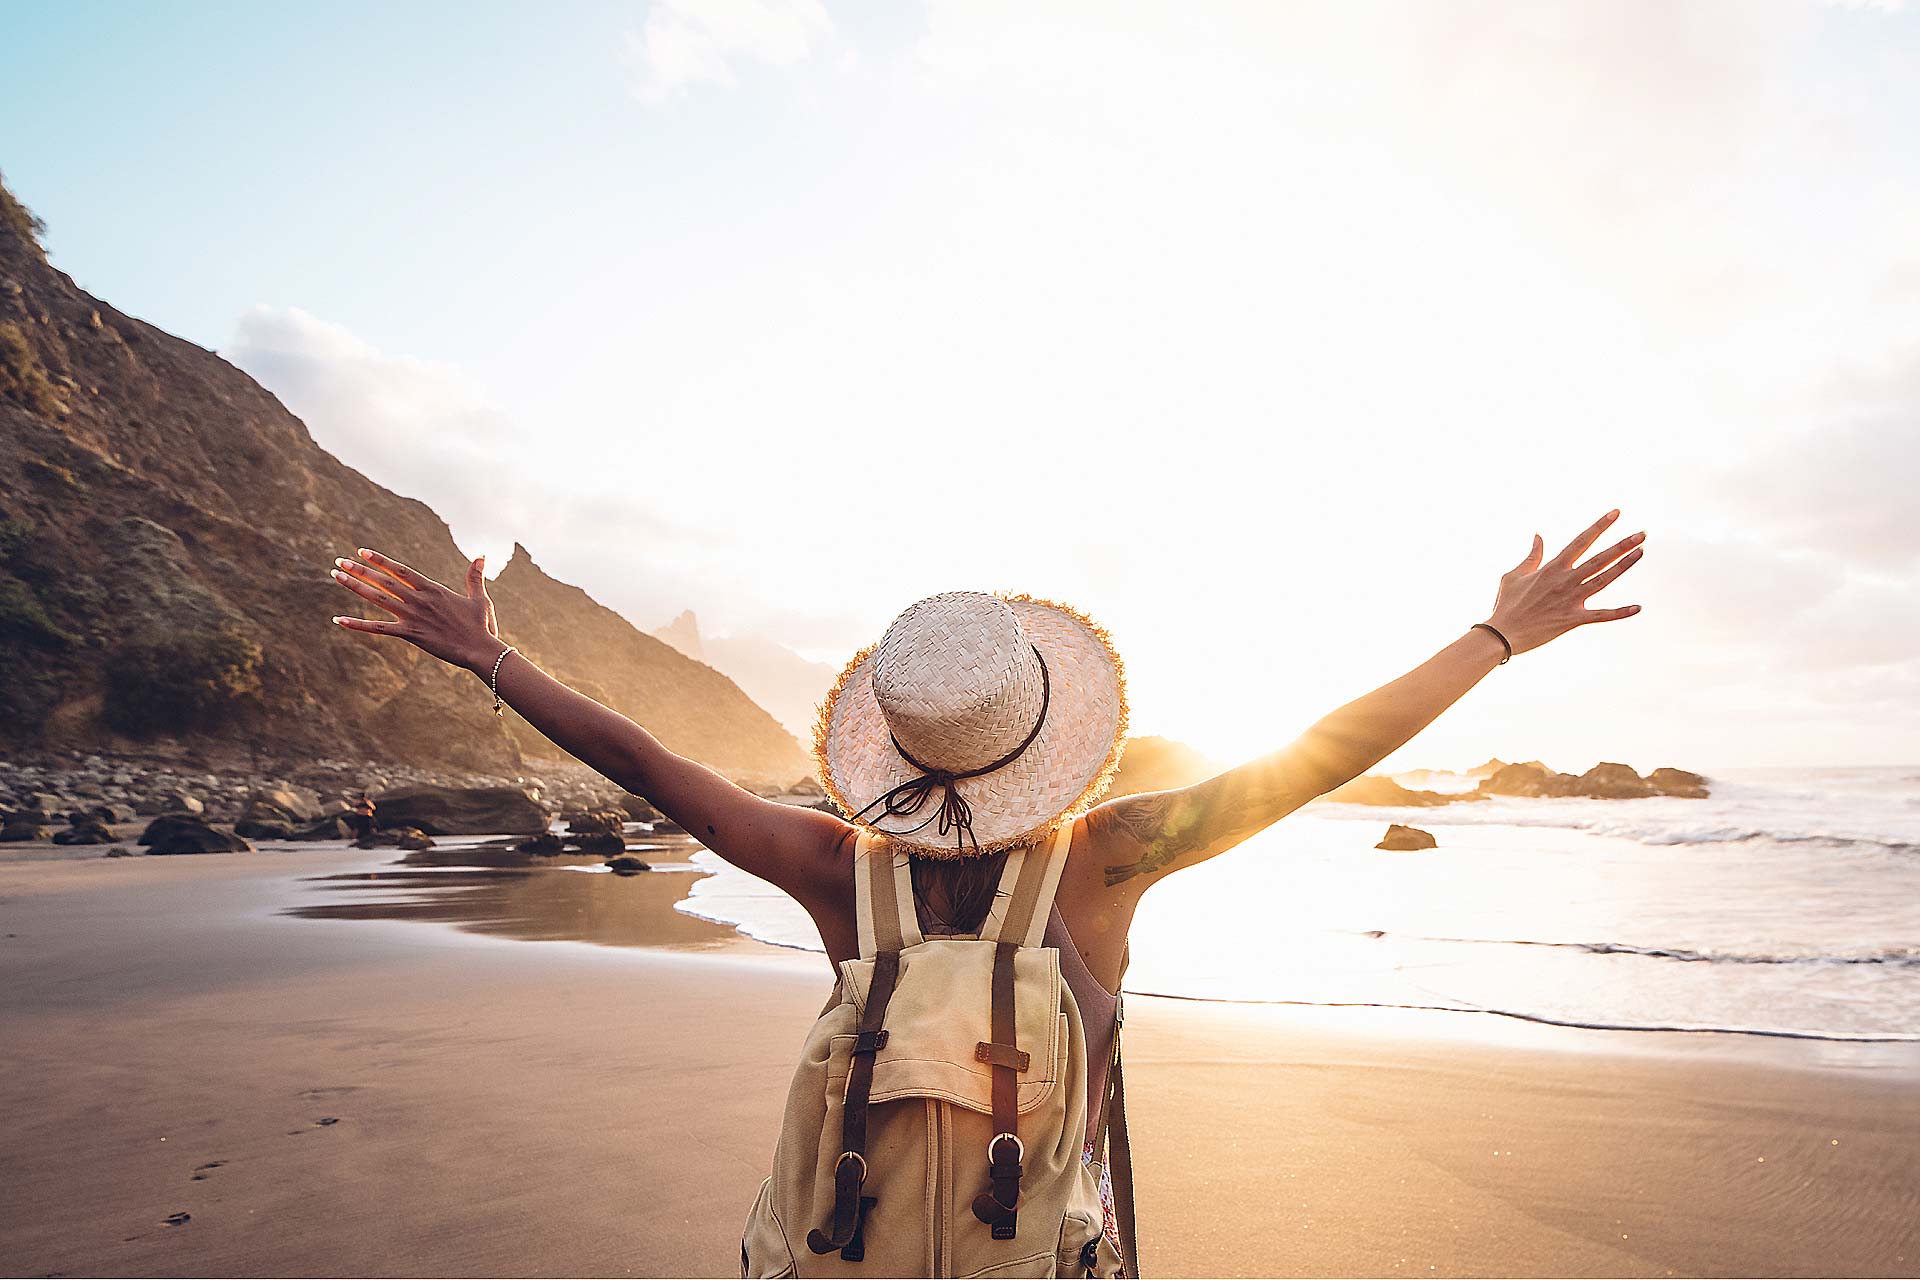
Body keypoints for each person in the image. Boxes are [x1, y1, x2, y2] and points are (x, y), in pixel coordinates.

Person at [326, 509, 1646, 1271]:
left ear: (895, 750)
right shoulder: (1112, 858)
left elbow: (653, 766)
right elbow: (1316, 759)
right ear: (1053, 730)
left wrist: (492, 663)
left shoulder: (835, 868)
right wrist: (1496, 640)